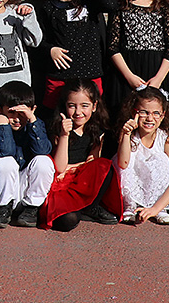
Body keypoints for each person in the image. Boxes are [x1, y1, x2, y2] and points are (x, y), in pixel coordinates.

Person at [38, 0, 118, 107]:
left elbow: (112, 5)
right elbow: (39, 39)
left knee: (91, 116)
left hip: (89, 75)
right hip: (59, 77)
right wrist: (50, 50)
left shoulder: (89, 0)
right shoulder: (47, 6)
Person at [41, 79, 121, 231]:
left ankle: (91, 207)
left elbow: (93, 162)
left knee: (104, 165)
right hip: (61, 184)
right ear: (65, 106)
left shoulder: (97, 129)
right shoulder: (57, 128)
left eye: (84, 106)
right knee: (68, 221)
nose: (78, 112)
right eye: (72, 106)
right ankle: (78, 211)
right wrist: (64, 135)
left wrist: (74, 167)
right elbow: (60, 167)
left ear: (94, 106)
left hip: (81, 180)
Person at [106, 0, 169, 116]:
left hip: (156, 73)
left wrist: (158, 79)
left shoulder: (164, 9)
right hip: (127, 74)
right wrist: (129, 77)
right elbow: (112, 48)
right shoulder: (120, 8)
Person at [116, 87, 169, 225]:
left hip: (157, 197)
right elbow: (123, 164)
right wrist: (125, 134)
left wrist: (155, 209)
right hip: (133, 189)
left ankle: (160, 209)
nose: (150, 118)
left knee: (160, 161)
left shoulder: (166, 139)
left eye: (156, 113)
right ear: (134, 112)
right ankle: (130, 206)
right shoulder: (129, 135)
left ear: (163, 116)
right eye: (144, 112)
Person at [0, 81, 55, 229]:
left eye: (22, 114)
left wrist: (32, 120)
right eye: (11, 113)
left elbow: (42, 150)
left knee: (44, 161)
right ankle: (3, 209)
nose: (17, 119)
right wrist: (3, 125)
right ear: (0, 109)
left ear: (33, 110)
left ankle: (31, 209)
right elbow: (6, 152)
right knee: (6, 161)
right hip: (4, 189)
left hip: (26, 187)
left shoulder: (36, 124)